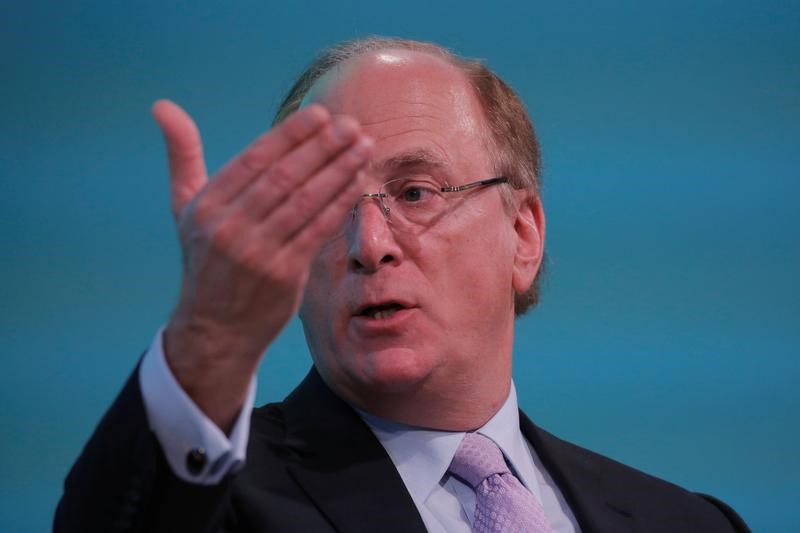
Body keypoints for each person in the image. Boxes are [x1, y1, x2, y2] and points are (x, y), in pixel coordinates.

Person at [55, 37, 749, 532]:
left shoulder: (686, 520)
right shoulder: (215, 500)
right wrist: (209, 338)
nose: (369, 245)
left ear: (524, 234)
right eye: (326, 206)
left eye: (415, 192)